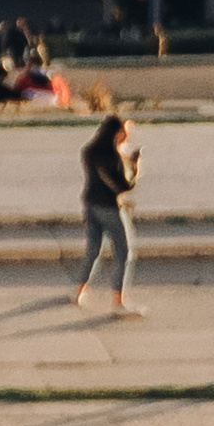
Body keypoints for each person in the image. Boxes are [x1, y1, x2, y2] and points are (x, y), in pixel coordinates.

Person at [74, 110, 142, 315]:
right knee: (124, 252)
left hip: (90, 204)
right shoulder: (112, 156)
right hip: (109, 208)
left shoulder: (89, 151)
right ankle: (118, 302)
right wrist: (134, 168)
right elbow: (123, 186)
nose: (127, 136)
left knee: (93, 250)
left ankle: (79, 291)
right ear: (117, 133)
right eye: (124, 132)